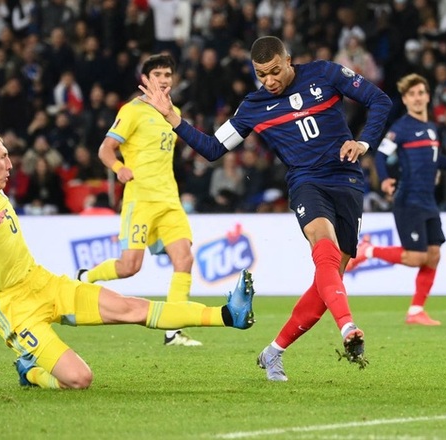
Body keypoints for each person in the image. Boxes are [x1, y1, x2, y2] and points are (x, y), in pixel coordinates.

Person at [138, 36, 392, 380]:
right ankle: (348, 327)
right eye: (261, 75)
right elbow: (213, 148)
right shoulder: (254, 106)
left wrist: (362, 141)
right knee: (324, 245)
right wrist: (172, 117)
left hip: (347, 180)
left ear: (289, 61)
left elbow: (379, 100)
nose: (269, 81)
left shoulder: (326, 73)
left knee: (328, 277)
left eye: (275, 72)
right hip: (306, 182)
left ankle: (273, 352)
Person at [0, 132, 255, 389]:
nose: (10, 164)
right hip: (12, 306)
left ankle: (228, 314)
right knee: (80, 379)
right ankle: (29, 371)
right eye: (3, 157)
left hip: (42, 282)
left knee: (130, 308)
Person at [76, 55, 202, 347]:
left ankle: (173, 330)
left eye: (168, 74)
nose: (163, 79)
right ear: (145, 79)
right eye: (157, 73)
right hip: (140, 200)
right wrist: (120, 169)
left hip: (169, 200)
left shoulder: (173, 112)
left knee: (184, 258)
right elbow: (105, 149)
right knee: (130, 266)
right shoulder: (131, 111)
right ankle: (87, 276)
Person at [346, 73, 446, 325]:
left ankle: (416, 311)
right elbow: (379, 157)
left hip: (428, 200)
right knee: (417, 256)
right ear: (406, 100)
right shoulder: (401, 128)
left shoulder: (432, 129)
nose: (417, 98)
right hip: (408, 199)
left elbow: (437, 159)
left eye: (421, 93)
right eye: (412, 94)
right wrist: (385, 178)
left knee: (433, 255)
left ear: (428, 97)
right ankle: (368, 250)